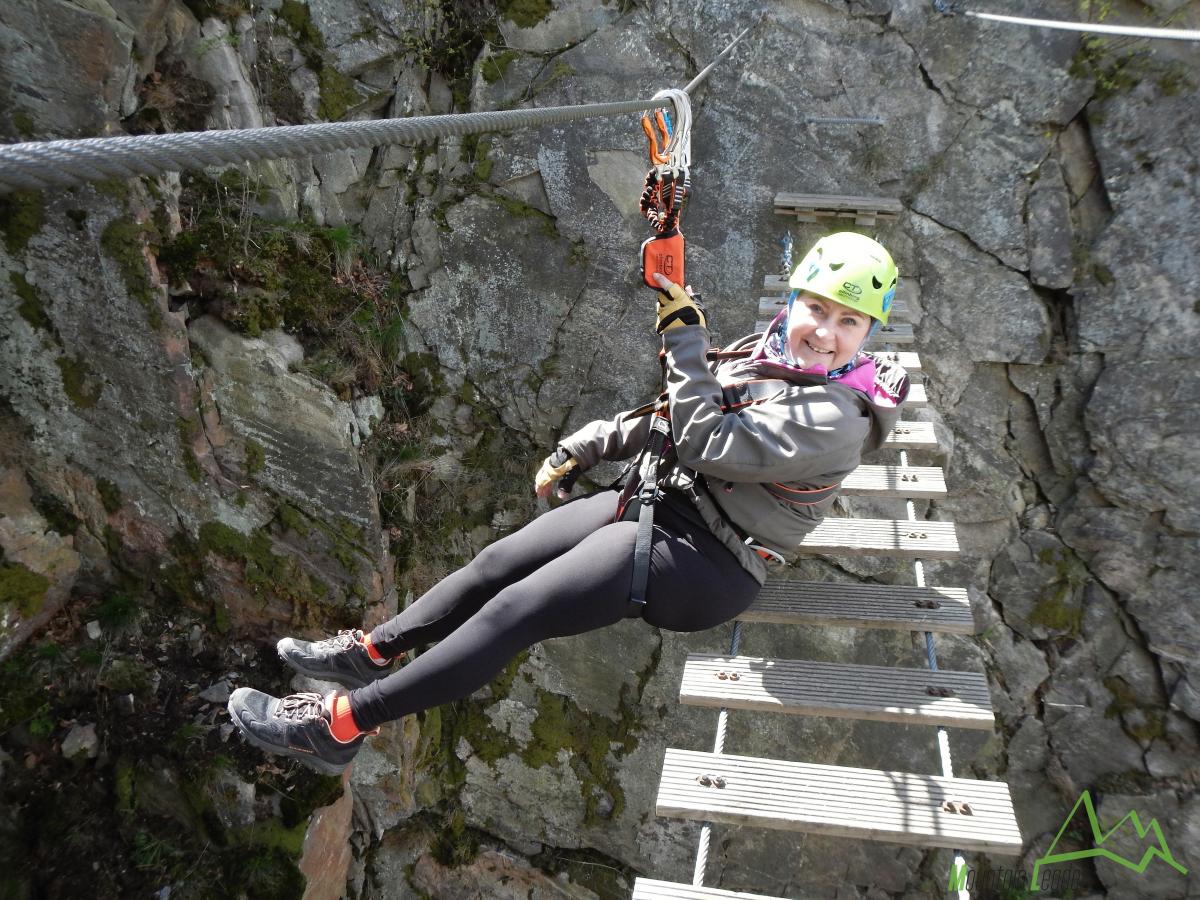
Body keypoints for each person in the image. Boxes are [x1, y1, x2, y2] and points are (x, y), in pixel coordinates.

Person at [227, 232, 910, 774]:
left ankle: (340, 724)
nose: (825, 332)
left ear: (867, 336)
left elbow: (705, 438)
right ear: (792, 302)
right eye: (817, 309)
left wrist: (684, 340)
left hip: (707, 559)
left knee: (514, 610)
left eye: (848, 322)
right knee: (496, 564)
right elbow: (680, 408)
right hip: (661, 501)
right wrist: (589, 445)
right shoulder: (766, 357)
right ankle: (372, 652)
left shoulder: (838, 417)